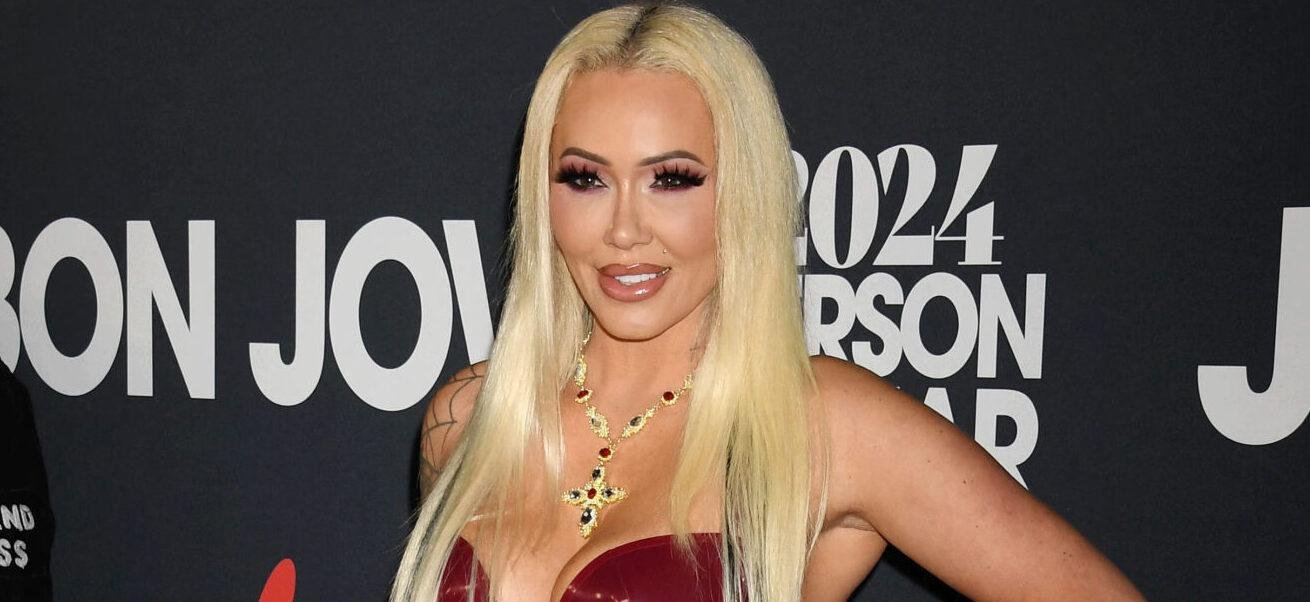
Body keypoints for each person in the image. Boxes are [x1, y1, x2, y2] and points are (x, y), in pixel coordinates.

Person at [392, 3, 1144, 600]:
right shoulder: (471, 417)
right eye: (586, 179)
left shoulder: (822, 425)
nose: (624, 229)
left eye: (672, 180)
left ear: (743, 192)